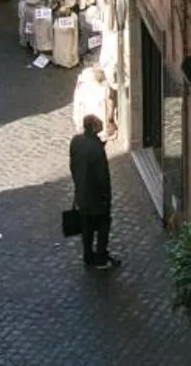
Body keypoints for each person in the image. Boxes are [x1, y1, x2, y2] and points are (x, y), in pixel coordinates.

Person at [68, 114, 118, 268]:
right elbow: (102, 176)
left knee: (86, 226)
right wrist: (107, 198)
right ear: (95, 128)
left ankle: (88, 255)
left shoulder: (76, 141)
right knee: (103, 224)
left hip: (81, 193)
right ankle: (101, 257)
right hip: (96, 196)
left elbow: (73, 165)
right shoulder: (97, 149)